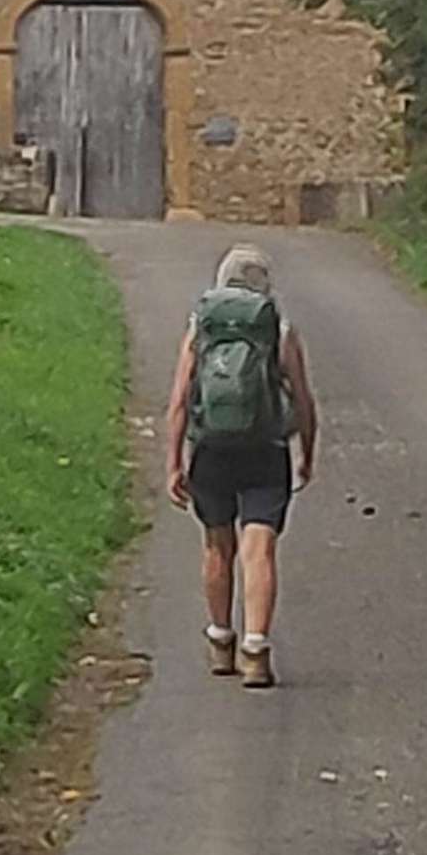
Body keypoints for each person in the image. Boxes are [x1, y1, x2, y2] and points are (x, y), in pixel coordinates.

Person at [164, 245, 318, 690]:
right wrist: (307, 452)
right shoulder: (279, 330)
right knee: (258, 549)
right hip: (266, 450)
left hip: (211, 450)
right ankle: (255, 649)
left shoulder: (202, 327)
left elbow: (179, 400)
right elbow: (303, 399)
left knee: (217, 545)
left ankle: (220, 641)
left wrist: (174, 462)